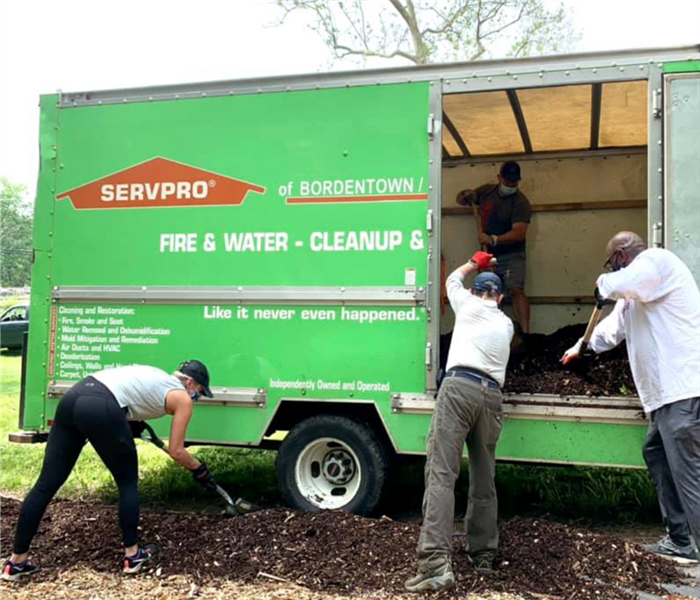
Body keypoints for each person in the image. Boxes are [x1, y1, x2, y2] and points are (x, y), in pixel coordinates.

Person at [2, 359, 220, 581]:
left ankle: (16, 562)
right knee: (127, 483)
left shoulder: (156, 375)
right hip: (101, 405)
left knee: (46, 483)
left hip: (74, 397)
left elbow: (125, 395)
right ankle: (132, 556)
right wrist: (199, 468)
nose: (197, 397)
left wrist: (126, 420)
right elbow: (176, 451)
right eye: (199, 392)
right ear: (190, 383)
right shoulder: (182, 397)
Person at [561, 231, 700, 563]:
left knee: (689, 471)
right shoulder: (634, 294)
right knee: (655, 451)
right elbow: (612, 330)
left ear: (622, 255)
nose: (612, 268)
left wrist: (604, 283)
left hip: (681, 389)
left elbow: (624, 282)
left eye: (612, 261)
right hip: (664, 397)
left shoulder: (658, 263)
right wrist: (582, 348)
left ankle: (689, 539)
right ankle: (679, 539)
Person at [405, 250, 514, 593]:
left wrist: (475, 261)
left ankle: (436, 563)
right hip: (492, 396)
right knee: (484, 478)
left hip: (458, 390)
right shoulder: (506, 324)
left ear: (476, 292)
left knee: (441, 474)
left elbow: (451, 280)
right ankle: (483, 556)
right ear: (501, 297)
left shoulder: (466, 305)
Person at [456, 160, 532, 334]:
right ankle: (486, 331)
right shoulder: (487, 191)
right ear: (499, 178)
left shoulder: (520, 202)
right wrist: (465, 195)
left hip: (512, 254)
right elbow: (462, 200)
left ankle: (526, 334)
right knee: (486, 291)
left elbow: (519, 233)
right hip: (487, 255)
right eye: (508, 180)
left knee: (516, 290)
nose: (511, 184)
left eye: (514, 181)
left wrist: (493, 239)